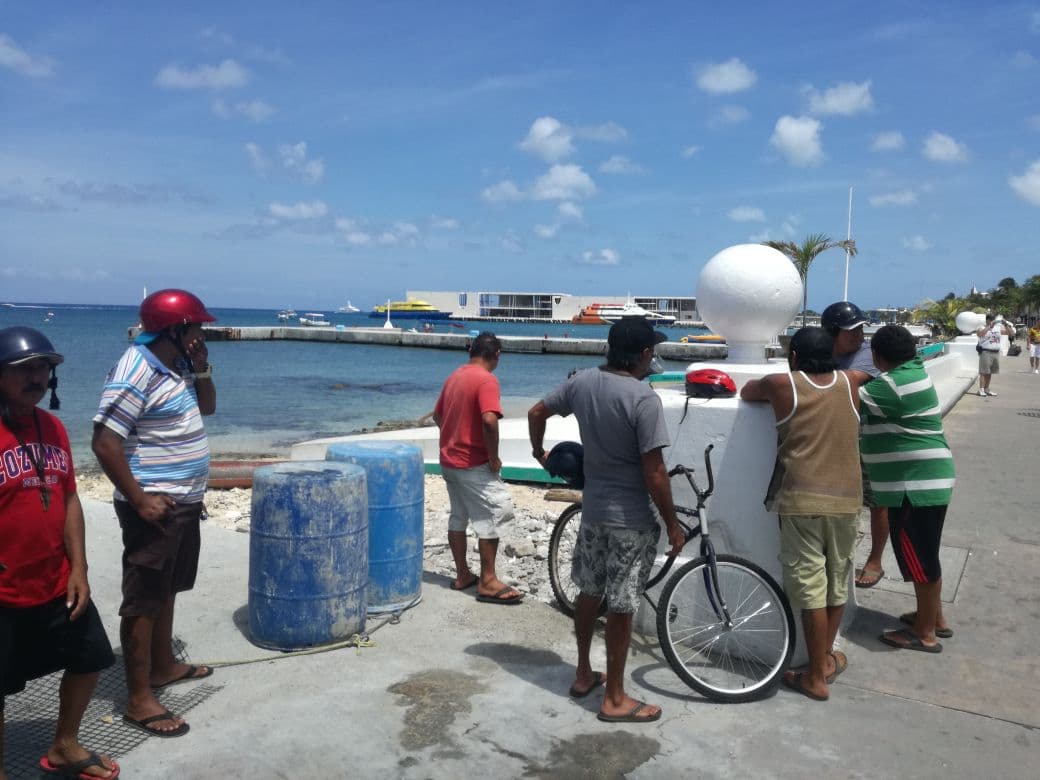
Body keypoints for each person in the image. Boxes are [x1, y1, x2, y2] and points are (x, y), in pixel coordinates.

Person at [527, 318, 684, 723]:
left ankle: (583, 674)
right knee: (622, 606)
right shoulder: (643, 399)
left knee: (589, 592)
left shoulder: (582, 382)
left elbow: (536, 411)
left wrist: (539, 453)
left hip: (593, 511)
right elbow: (654, 472)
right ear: (646, 355)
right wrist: (672, 523)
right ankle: (614, 697)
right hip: (631, 520)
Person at [91, 290, 217, 739]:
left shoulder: (176, 365)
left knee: (168, 588)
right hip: (155, 508)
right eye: (196, 327)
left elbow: (207, 407)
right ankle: (139, 698)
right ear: (175, 329)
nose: (202, 333)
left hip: (183, 503)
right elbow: (104, 441)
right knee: (144, 597)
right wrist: (140, 499)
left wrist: (201, 365)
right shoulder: (136, 369)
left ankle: (162, 666)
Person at [0, 327, 119, 779]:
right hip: (4, 589)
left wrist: (80, 569)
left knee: (91, 658)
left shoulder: (51, 426)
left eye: (43, 369)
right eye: (23, 369)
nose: (36, 378)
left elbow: (68, 497)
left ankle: (65, 743)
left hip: (54, 578)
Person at [741, 327, 862, 701]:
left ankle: (815, 677)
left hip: (801, 502)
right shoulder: (852, 381)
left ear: (793, 358)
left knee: (811, 588)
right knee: (837, 578)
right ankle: (824, 659)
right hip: (846, 500)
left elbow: (747, 392)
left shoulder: (783, 385)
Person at [860, 325, 956, 652]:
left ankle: (924, 634)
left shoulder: (891, 385)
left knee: (920, 558)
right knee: (926, 552)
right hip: (925, 479)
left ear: (877, 356)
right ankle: (934, 618)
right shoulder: (914, 371)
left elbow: (839, 394)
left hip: (915, 485)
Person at [432, 332, 522, 604]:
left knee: (458, 516)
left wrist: (453, 436)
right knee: (492, 516)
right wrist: (493, 457)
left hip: (448, 460)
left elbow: (438, 415)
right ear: (496, 355)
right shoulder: (486, 380)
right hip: (473, 462)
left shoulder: (454, 376)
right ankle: (488, 580)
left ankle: (463, 574)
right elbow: (490, 420)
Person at [820, 301, 888, 590]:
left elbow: (849, 382)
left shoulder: (867, 356)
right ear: (833, 333)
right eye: (852, 330)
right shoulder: (823, 354)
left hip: (868, 437)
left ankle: (875, 560)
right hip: (833, 436)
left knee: (877, 501)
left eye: (861, 328)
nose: (860, 335)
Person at [975, 313, 1013, 396]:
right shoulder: (982, 327)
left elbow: (1010, 334)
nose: (993, 321)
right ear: (987, 320)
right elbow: (980, 334)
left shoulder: (998, 328)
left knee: (990, 372)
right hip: (985, 351)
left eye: (994, 319)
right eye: (991, 319)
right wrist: (989, 327)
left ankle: (987, 389)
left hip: (995, 352)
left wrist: (1006, 324)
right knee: (983, 372)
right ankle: (981, 389)